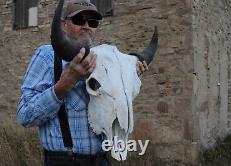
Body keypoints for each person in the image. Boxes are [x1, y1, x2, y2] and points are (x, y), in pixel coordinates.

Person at [16, 0, 148, 166]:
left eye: (92, 22)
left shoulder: (105, 59)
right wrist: (65, 83)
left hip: (102, 160)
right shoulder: (47, 56)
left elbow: (115, 107)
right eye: (79, 20)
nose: (87, 26)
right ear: (64, 24)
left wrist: (130, 77)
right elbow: (25, 116)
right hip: (65, 160)